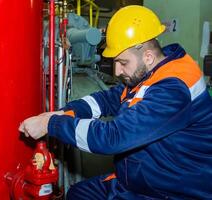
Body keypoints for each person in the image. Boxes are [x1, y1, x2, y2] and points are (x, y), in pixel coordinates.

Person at [19, 5, 212, 199]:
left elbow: (114, 137)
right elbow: (106, 100)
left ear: (148, 56)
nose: (117, 72)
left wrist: (51, 124)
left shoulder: (173, 89)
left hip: (172, 190)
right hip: (139, 181)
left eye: (123, 63)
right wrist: (62, 113)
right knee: (78, 194)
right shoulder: (152, 72)